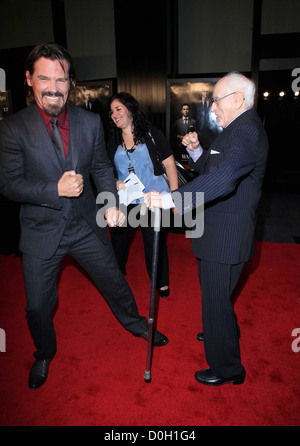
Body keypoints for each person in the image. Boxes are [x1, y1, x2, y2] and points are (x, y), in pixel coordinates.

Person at [0, 43, 168, 390]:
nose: (53, 87)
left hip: (86, 226)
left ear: (70, 83)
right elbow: (8, 184)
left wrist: (110, 205)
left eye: (61, 80)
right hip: (41, 231)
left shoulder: (90, 122)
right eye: (44, 78)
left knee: (115, 282)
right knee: (38, 306)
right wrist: (54, 188)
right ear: (29, 79)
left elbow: (102, 168)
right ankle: (44, 352)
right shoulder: (12, 129)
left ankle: (137, 323)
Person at [144, 72, 268, 386]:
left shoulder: (245, 131)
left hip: (225, 235)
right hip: (217, 230)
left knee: (215, 296)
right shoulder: (236, 130)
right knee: (217, 296)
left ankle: (228, 369)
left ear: (237, 99)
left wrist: (174, 199)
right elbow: (214, 169)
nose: (212, 107)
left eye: (217, 99)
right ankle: (220, 327)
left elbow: (224, 179)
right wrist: (198, 151)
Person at [107, 92, 178, 297]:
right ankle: (115, 276)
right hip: (127, 199)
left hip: (152, 198)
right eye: (111, 112)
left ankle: (160, 282)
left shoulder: (151, 133)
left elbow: (169, 163)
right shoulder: (113, 140)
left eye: (118, 109)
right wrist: (114, 181)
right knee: (118, 240)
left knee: (153, 242)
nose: (114, 115)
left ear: (130, 109)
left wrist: (174, 198)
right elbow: (104, 169)